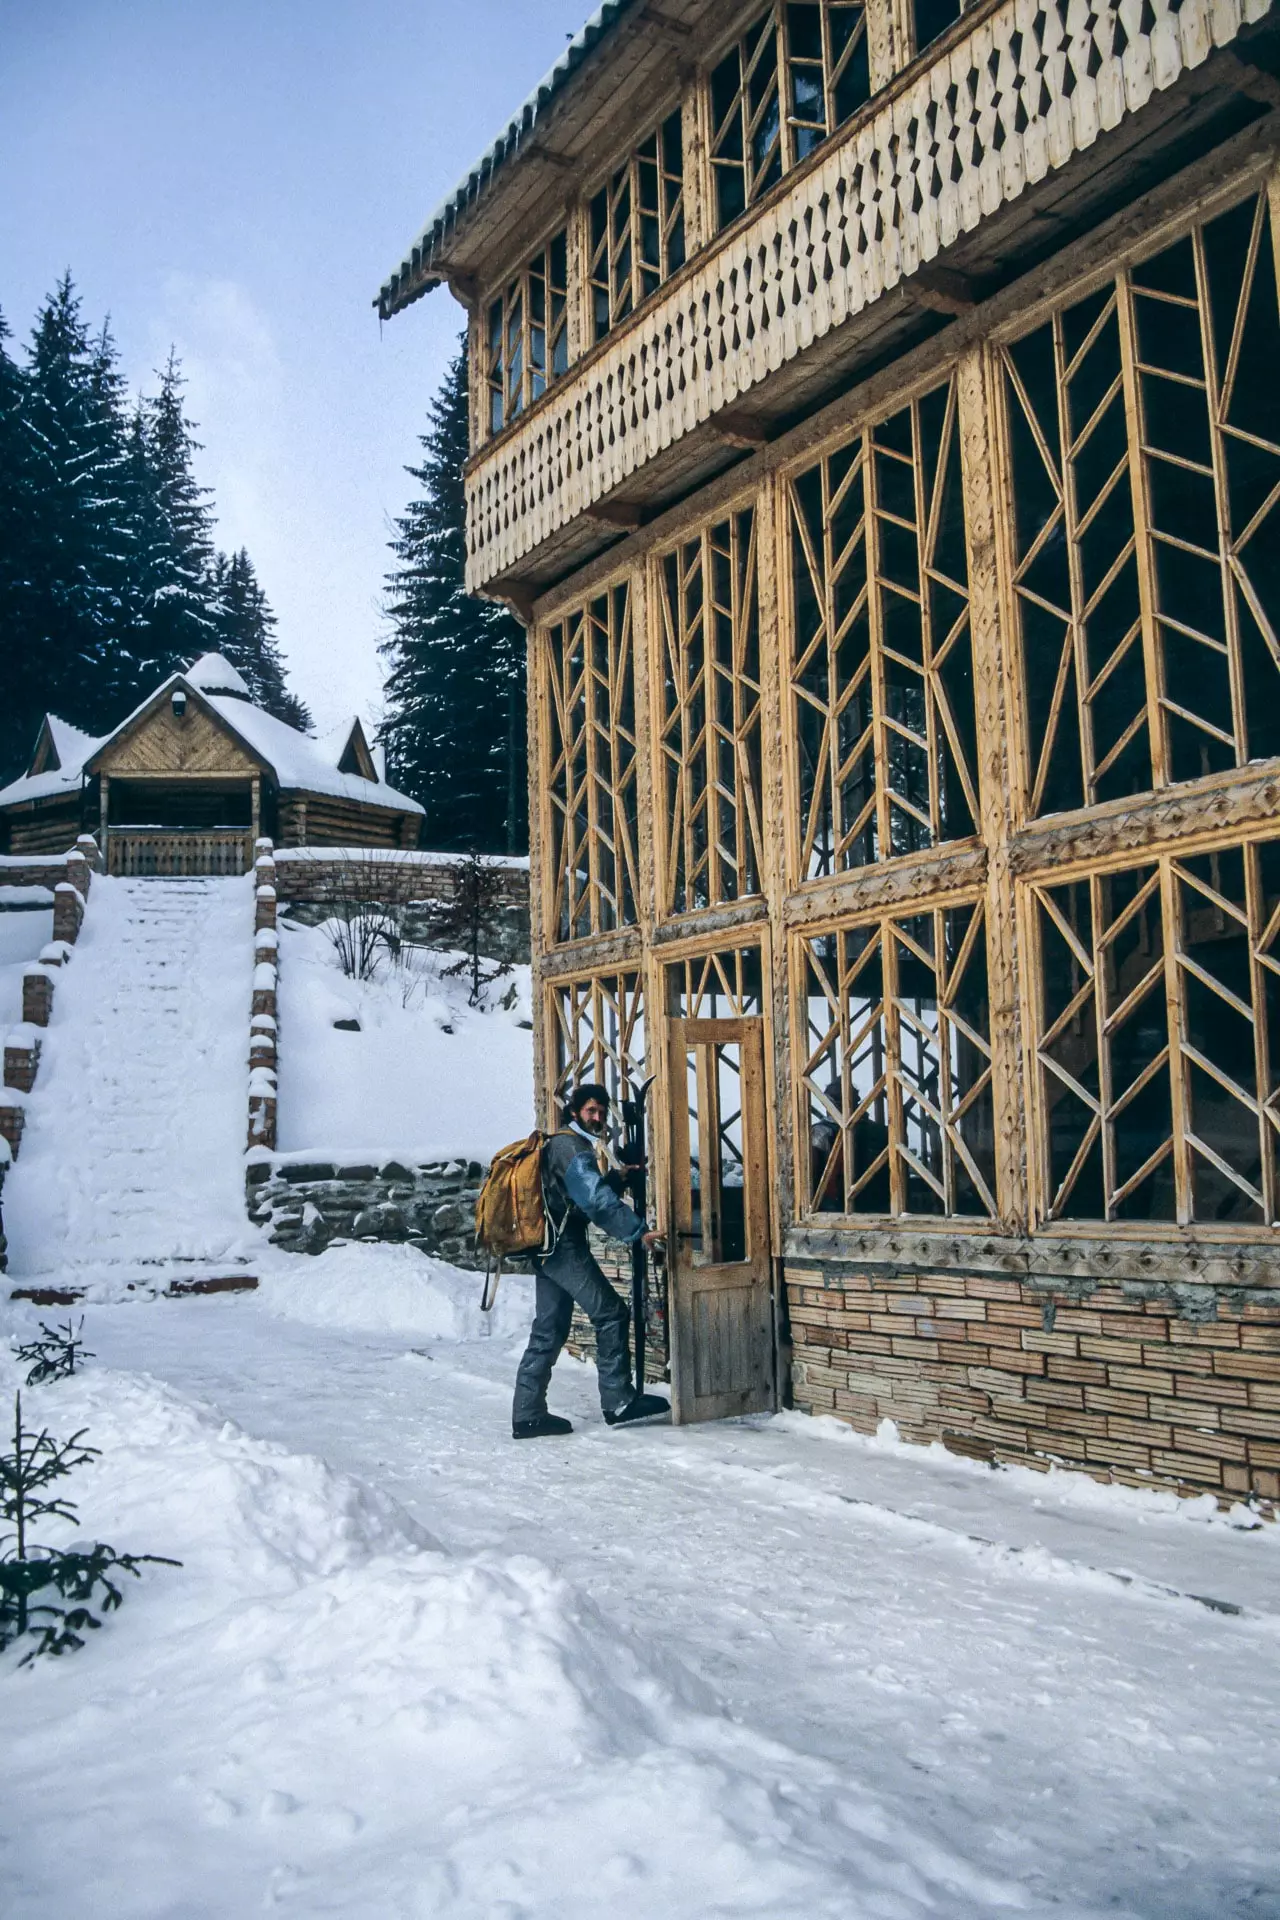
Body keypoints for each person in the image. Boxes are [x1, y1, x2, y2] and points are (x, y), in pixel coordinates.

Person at [512, 1082, 668, 1440]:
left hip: (546, 1247)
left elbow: (576, 1197)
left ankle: (527, 1414)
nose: (597, 1117)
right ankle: (618, 1401)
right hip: (563, 1249)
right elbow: (594, 1202)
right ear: (574, 1111)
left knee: (548, 1329)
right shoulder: (572, 1147)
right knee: (611, 1313)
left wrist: (616, 1179)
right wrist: (637, 1231)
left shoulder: (562, 1144)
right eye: (590, 1111)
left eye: (601, 1111)